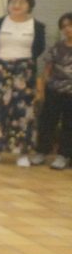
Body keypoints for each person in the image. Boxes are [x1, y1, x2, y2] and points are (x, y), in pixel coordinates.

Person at [0, 0, 46, 167]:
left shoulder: (37, 26)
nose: (16, 5)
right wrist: (3, 62)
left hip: (24, 71)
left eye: (21, 2)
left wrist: (21, 63)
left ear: (29, 6)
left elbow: (39, 48)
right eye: (13, 2)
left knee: (23, 112)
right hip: (0, 69)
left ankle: (22, 152)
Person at [31, 12, 72, 170]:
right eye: (64, 26)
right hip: (54, 90)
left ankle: (63, 155)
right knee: (47, 122)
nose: (68, 29)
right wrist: (43, 89)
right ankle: (41, 152)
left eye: (70, 25)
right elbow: (47, 70)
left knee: (69, 125)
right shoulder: (56, 47)